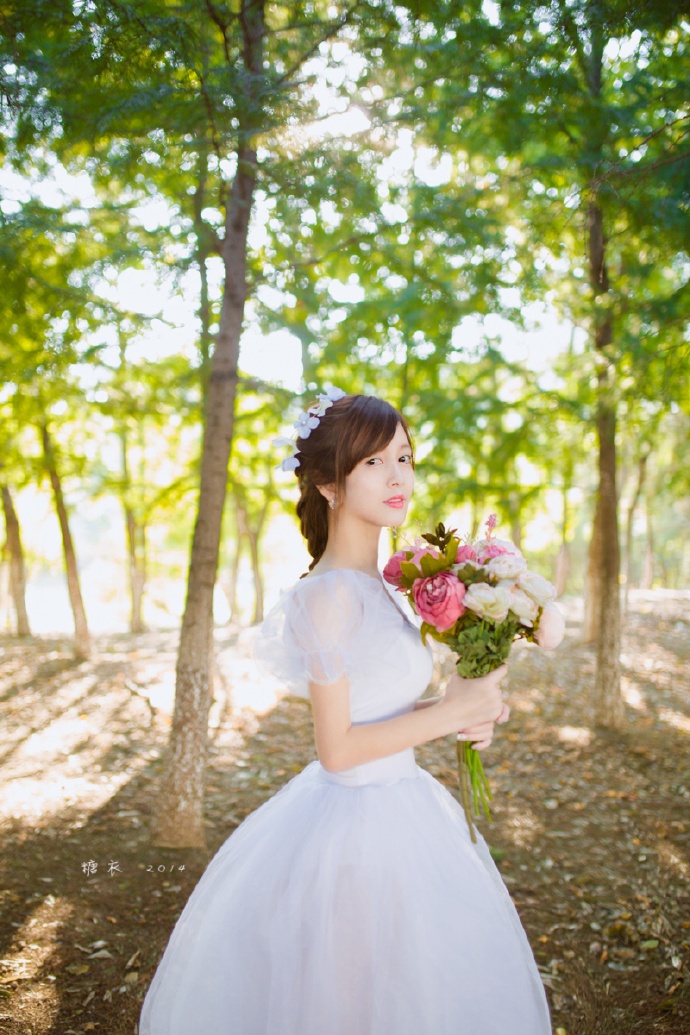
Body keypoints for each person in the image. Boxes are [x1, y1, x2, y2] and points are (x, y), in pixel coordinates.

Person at [138, 389, 551, 1035]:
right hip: (356, 830)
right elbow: (338, 747)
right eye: (374, 463)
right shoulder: (327, 596)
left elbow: (380, 706)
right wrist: (448, 713)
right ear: (328, 482)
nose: (398, 477)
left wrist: (456, 704)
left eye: (406, 458)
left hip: (407, 804)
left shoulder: (384, 586)